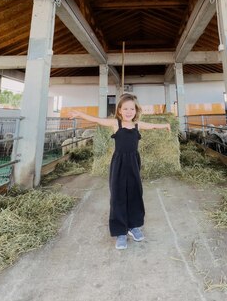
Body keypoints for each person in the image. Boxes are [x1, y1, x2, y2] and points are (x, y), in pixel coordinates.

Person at [68, 93, 171, 250]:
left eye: (132, 108)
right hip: (119, 164)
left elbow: (153, 126)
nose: (129, 111)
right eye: (125, 108)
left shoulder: (137, 124)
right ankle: (120, 232)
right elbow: (97, 120)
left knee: (135, 193)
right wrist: (80, 114)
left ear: (136, 110)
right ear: (120, 110)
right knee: (118, 195)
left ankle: (133, 226)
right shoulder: (116, 124)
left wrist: (166, 125)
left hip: (134, 164)